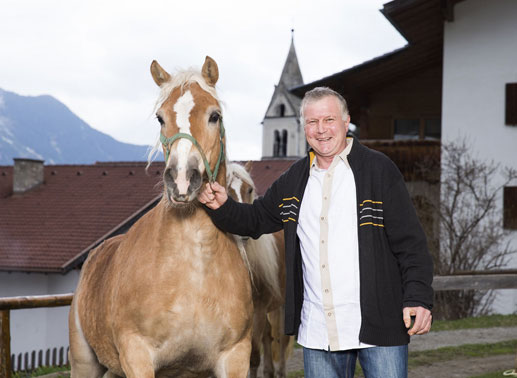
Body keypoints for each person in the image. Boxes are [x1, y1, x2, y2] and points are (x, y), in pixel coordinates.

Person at [198, 87, 433, 378]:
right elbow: (256, 219)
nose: (321, 130)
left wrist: (419, 298)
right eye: (312, 122)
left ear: (346, 123)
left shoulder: (378, 170)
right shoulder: (293, 180)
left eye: (329, 120)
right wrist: (222, 206)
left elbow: (411, 244)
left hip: (379, 327)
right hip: (318, 333)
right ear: (304, 127)